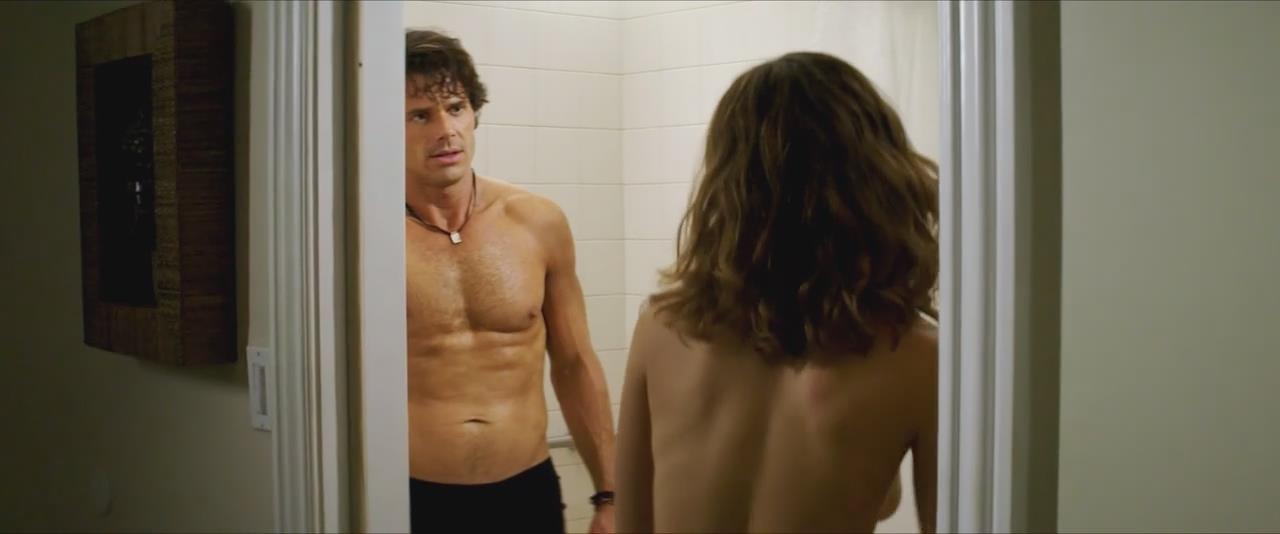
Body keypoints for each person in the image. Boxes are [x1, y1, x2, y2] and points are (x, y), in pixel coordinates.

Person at [615, 51, 939, 533]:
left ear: (727, 181)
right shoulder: (917, 356)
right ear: (879, 177)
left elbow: (633, 522)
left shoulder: (661, 328)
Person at [403, 29, 616, 534]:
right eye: (420, 115)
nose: (446, 130)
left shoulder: (536, 222)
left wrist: (610, 495)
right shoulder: (363, 241)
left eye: (456, 108)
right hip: (411, 495)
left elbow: (575, 362)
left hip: (526, 493)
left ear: (475, 113)